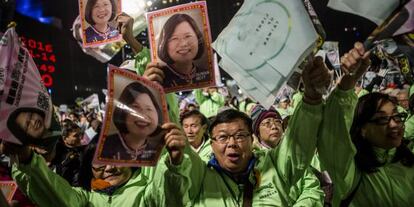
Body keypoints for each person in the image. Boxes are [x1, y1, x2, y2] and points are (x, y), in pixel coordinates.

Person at [157, 56, 331, 206]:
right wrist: (158, 90)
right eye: (223, 137)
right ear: (212, 143)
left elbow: (297, 145)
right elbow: (174, 135)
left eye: (240, 135)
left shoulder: (273, 166)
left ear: (251, 139)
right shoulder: (200, 176)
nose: (232, 143)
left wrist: (311, 97)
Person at [317, 42, 414, 206]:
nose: (394, 125)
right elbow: (333, 136)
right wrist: (348, 82)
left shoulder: (408, 161)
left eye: (397, 117)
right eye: (382, 119)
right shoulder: (351, 172)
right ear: (362, 129)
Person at [2, 122, 186, 206]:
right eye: (100, 163)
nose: (109, 168)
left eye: (115, 159)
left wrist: (175, 163)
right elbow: (59, 196)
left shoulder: (147, 191)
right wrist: (26, 160)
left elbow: (169, 198)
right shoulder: (87, 199)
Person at [251, 105, 326, 206]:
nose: (274, 126)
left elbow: (312, 188)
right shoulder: (254, 162)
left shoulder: (295, 154)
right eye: (267, 123)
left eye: (277, 121)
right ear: (257, 133)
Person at [100, 81, 164, 161]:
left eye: (149, 109)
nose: (143, 115)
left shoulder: (158, 152)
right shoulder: (103, 146)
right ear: (122, 111)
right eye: (136, 107)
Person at [157, 13, 210, 88]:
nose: (183, 44)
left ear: (198, 38)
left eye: (188, 36)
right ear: (164, 44)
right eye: (174, 38)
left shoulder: (206, 74)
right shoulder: (159, 77)